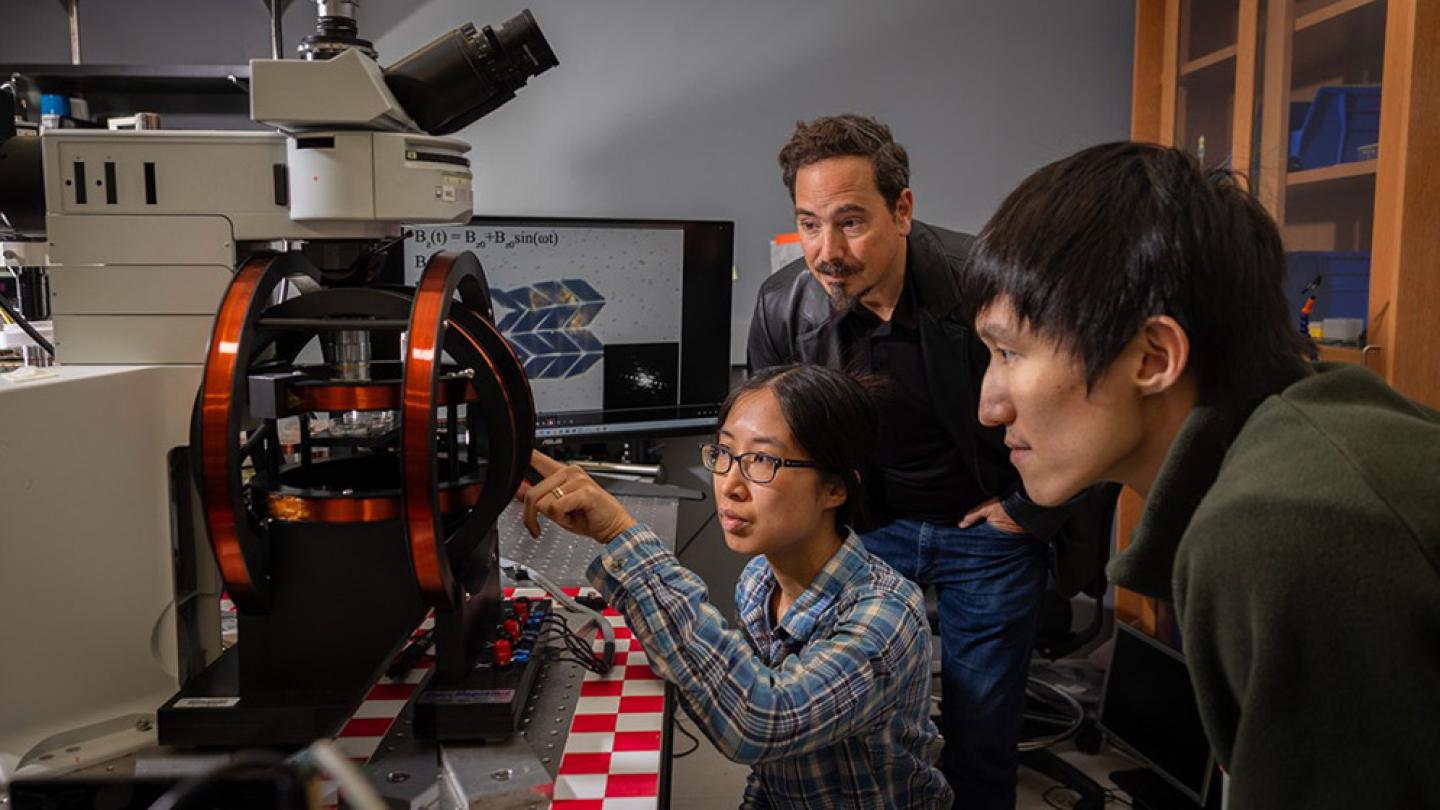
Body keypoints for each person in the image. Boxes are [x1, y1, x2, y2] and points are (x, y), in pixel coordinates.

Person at [960, 141, 1440, 809]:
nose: (990, 406)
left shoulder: (1284, 526)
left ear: (1153, 356)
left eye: (1010, 352)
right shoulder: (1296, 434)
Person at [748, 113, 1081, 807]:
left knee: (981, 734)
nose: (826, 250)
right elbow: (772, 438)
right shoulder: (785, 306)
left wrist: (1028, 512)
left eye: (850, 221)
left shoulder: (986, 285)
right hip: (869, 531)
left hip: (987, 532)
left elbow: (1079, 407)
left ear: (903, 209)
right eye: (809, 223)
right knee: (849, 726)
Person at [521, 363, 953, 809]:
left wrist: (620, 533)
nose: (730, 484)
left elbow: (760, 723)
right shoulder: (759, 583)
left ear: (835, 488)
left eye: (762, 460)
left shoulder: (885, 616)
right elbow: (772, 770)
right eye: (724, 453)